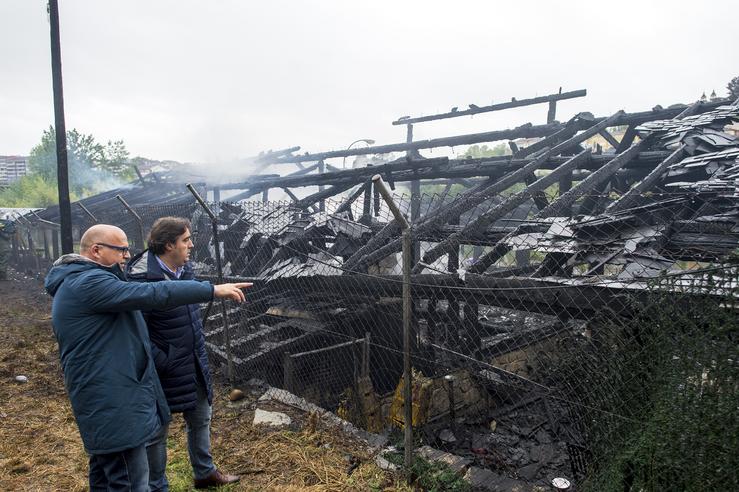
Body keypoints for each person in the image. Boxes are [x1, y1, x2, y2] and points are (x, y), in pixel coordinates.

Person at [44, 224, 251, 491]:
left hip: (109, 392)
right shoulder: (89, 282)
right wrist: (211, 290)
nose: (127, 256)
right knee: (131, 479)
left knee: (108, 475)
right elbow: (152, 294)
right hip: (112, 396)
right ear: (96, 251)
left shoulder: (85, 279)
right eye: (121, 250)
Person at [126, 217, 239, 490]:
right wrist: (164, 359)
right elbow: (135, 335)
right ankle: (156, 485)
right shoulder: (141, 280)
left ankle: (204, 472)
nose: (191, 245)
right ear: (168, 245)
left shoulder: (183, 270)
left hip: (192, 362)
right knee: (157, 432)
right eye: (186, 240)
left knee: (201, 418)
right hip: (163, 369)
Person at [0, 216, 16, 281]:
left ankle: (2, 275)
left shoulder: (4, 225)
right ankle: (2, 276)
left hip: (3, 248)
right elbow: (7, 237)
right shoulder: (5, 227)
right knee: (4, 259)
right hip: (4, 248)